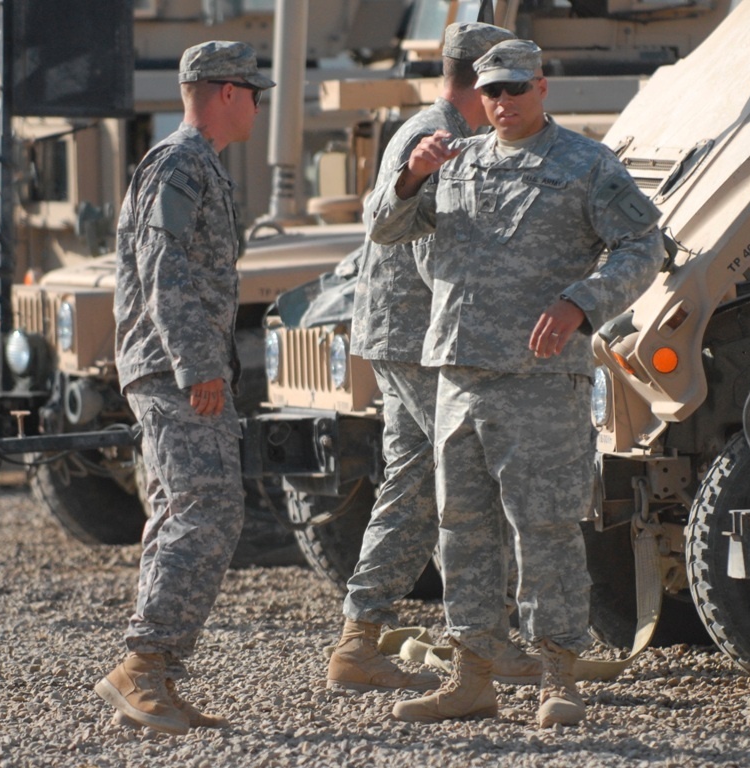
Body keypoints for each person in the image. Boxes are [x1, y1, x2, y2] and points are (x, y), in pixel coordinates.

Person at [367, 39, 665, 728]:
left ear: (541, 88)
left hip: (539, 382)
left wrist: (581, 303)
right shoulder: (456, 161)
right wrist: (410, 176)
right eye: (491, 92)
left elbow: (642, 245)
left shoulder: (585, 165)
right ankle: (471, 675)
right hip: (458, 376)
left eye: (514, 89)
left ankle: (557, 676)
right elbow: (384, 230)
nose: (501, 103)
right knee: (462, 531)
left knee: (544, 528)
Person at [326, 21, 532, 695]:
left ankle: (361, 640)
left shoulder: (434, 128)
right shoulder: (437, 139)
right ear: (479, 77)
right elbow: (418, 242)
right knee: (470, 476)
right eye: (502, 78)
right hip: (419, 338)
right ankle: (484, 642)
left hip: (407, 335)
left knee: (412, 485)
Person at [94, 40, 275, 735]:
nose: (256, 105)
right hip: (177, 370)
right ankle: (144, 667)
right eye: (252, 92)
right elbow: (163, 266)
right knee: (208, 510)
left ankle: (151, 676)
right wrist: (198, 364)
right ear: (226, 92)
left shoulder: (191, 164)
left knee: (182, 511)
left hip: (171, 364)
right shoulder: (180, 161)